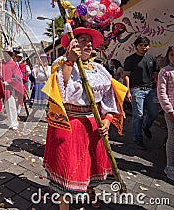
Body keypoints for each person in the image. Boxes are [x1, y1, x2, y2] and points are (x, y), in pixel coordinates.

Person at [42, 27, 126, 210]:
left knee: (90, 164)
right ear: (73, 44)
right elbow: (59, 91)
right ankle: (64, 206)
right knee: (68, 166)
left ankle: (89, 193)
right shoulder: (61, 63)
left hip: (93, 123)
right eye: (82, 40)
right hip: (70, 124)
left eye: (90, 41)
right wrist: (70, 61)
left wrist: (107, 120)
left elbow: (108, 99)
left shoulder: (100, 69)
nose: (87, 44)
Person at [123, 36, 159, 150]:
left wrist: (157, 87)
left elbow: (156, 73)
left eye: (146, 45)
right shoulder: (130, 59)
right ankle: (137, 138)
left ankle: (146, 126)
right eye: (141, 45)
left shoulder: (151, 59)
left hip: (150, 90)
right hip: (136, 90)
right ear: (136, 46)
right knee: (138, 115)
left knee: (154, 113)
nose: (144, 47)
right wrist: (127, 91)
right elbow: (126, 76)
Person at [157, 46, 174, 180]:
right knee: (172, 137)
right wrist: (169, 110)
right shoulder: (165, 72)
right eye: (172, 55)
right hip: (171, 111)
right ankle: (170, 166)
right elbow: (162, 93)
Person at [2, 47, 24, 130]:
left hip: (9, 88)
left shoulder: (13, 64)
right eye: (5, 53)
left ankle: (13, 123)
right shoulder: (1, 63)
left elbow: (18, 77)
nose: (6, 55)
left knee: (10, 106)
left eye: (8, 53)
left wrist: (7, 82)